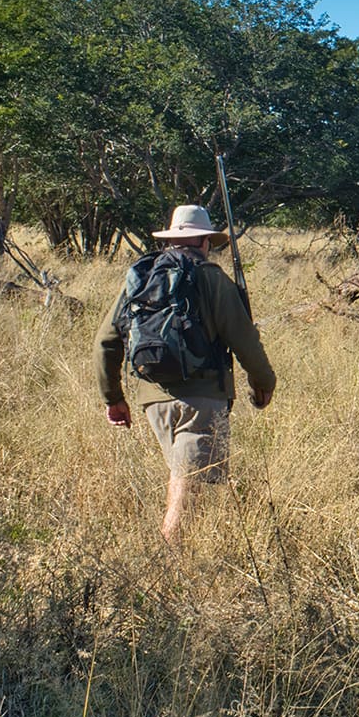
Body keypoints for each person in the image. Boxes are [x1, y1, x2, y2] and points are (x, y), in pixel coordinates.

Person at [95, 204, 276, 547]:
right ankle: (170, 564)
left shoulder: (142, 275)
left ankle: (182, 556)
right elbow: (245, 340)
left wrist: (113, 398)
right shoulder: (211, 277)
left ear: (170, 239)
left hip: (153, 403)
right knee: (186, 490)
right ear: (205, 241)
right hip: (202, 399)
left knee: (183, 479)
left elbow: (105, 341)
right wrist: (263, 383)